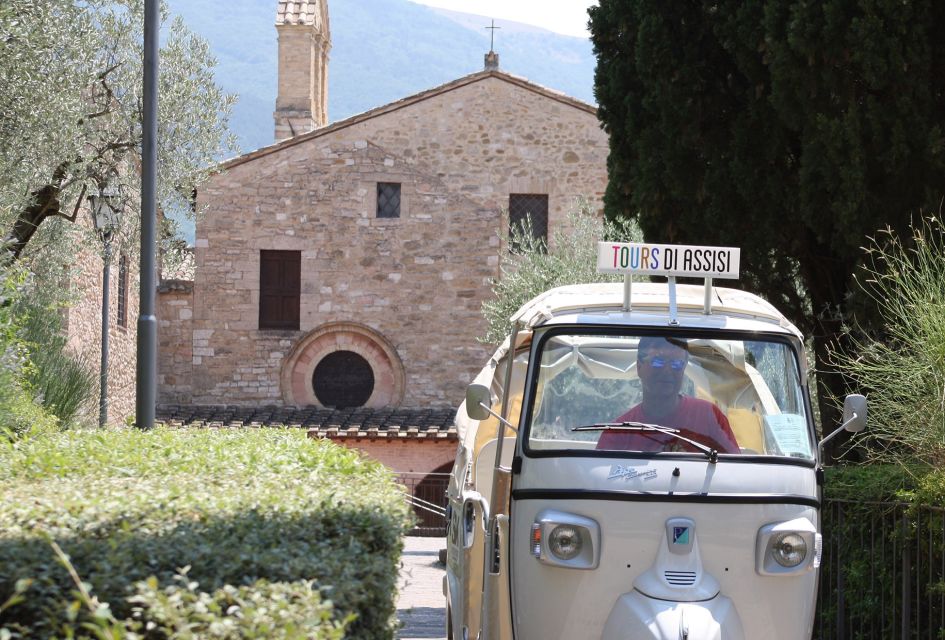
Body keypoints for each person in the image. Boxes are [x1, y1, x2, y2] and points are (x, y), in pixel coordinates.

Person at [596, 336, 740, 454]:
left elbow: (736, 474)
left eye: (676, 364)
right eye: (658, 362)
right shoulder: (617, 434)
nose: (667, 370)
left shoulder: (710, 417)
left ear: (684, 368)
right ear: (639, 367)